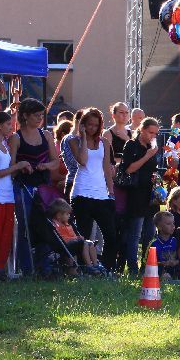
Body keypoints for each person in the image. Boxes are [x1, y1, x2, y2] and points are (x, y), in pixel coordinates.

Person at [8, 98, 60, 275]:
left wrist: (46, 166)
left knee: (45, 225)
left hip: (43, 187)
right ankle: (27, 268)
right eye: (36, 115)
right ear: (25, 116)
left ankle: (43, 265)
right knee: (25, 227)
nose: (40, 118)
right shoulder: (16, 138)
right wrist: (22, 166)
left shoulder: (46, 135)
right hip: (23, 187)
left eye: (41, 115)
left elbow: (55, 161)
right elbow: (12, 166)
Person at [66, 107, 116, 271]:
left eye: (96, 125)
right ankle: (84, 267)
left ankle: (108, 268)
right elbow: (83, 161)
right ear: (83, 125)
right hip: (82, 192)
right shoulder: (74, 141)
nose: (92, 128)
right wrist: (84, 138)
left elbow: (106, 169)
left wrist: (111, 191)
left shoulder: (104, 142)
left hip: (101, 194)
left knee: (111, 234)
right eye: (89, 125)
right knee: (84, 235)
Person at [0, 112, 29, 278]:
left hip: (8, 194)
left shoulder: (6, 145)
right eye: (8, 124)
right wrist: (17, 167)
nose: (11, 127)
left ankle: (1, 267)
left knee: (6, 234)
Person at [118, 117, 161, 277]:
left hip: (151, 195)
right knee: (134, 234)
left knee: (150, 234)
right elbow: (128, 169)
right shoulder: (132, 145)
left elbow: (152, 169)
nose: (153, 136)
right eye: (150, 132)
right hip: (136, 194)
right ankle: (133, 269)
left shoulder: (152, 147)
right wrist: (147, 156)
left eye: (155, 133)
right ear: (142, 130)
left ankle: (146, 267)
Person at [47, 199, 98, 275]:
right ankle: (88, 266)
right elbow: (63, 239)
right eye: (67, 214)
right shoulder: (56, 225)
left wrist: (78, 237)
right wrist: (76, 239)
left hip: (74, 243)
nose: (69, 216)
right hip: (65, 245)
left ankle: (95, 264)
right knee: (86, 244)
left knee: (90, 243)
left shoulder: (68, 224)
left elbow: (73, 235)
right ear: (58, 215)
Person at [149, 210, 180, 280]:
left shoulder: (175, 241)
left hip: (175, 269)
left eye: (173, 223)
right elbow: (147, 262)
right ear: (159, 227)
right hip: (159, 270)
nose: (173, 226)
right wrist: (162, 263)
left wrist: (175, 262)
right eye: (169, 224)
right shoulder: (154, 243)